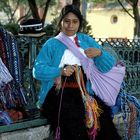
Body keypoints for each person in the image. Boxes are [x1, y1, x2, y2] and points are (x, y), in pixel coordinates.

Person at [33, 4, 122, 140]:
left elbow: (107, 66)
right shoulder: (51, 44)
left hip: (84, 93)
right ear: (60, 22)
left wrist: (99, 54)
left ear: (79, 23)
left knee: (103, 118)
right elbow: (37, 70)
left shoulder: (86, 40)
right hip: (58, 94)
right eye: (66, 21)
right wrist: (60, 71)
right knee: (74, 121)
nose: (70, 26)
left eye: (75, 22)